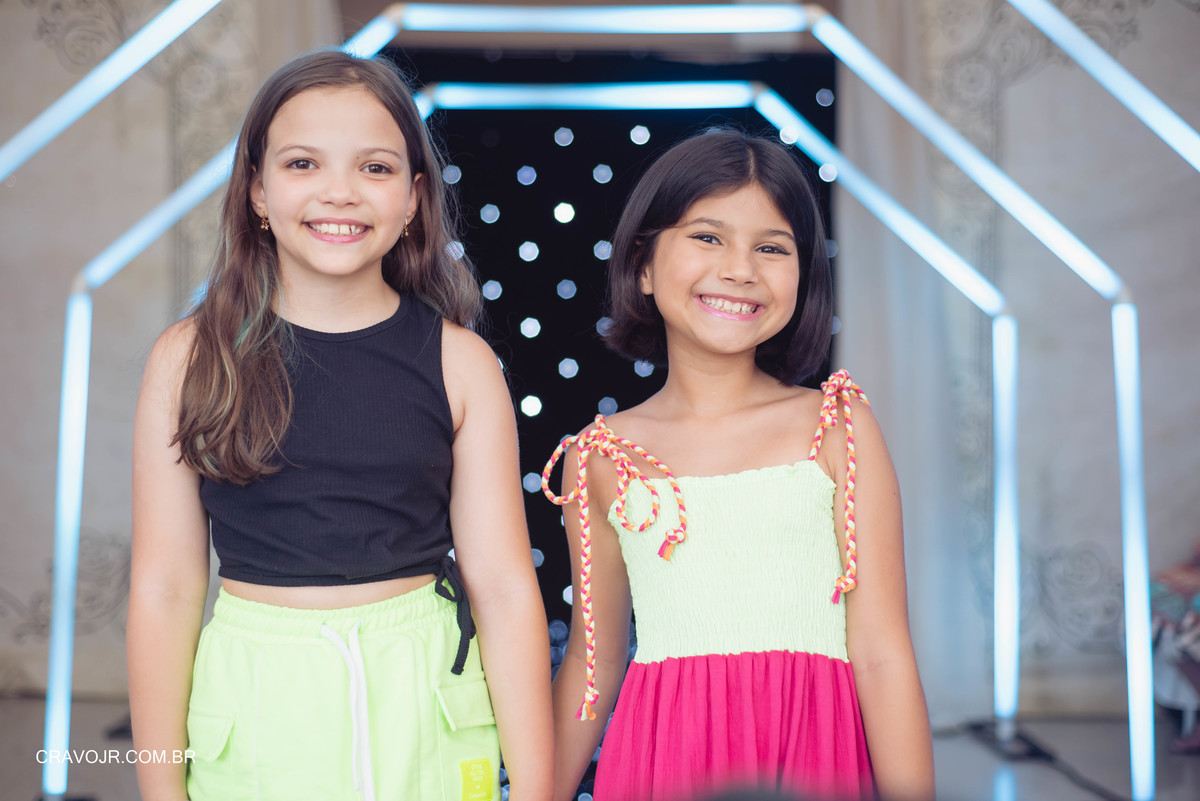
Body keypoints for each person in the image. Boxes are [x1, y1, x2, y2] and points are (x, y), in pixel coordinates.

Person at [128, 51, 552, 801]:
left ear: (414, 197)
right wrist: (160, 791)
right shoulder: (188, 358)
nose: (340, 192)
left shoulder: (462, 363)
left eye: (375, 168)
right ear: (257, 190)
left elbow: (504, 588)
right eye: (302, 163)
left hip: (427, 713)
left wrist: (537, 788)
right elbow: (165, 589)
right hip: (257, 713)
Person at [542, 129, 934, 801]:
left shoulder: (837, 426)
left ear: (804, 274)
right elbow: (592, 663)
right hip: (663, 764)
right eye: (707, 237)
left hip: (811, 763)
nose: (740, 269)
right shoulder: (601, 457)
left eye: (772, 248)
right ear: (642, 264)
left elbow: (882, 653)